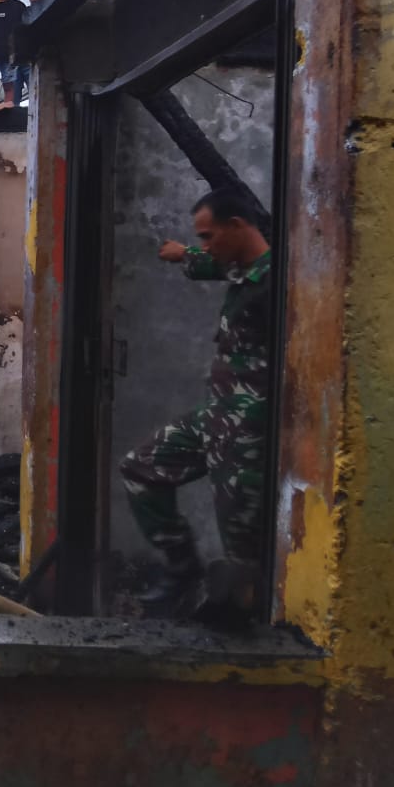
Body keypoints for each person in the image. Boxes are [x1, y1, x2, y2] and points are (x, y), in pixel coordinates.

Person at [119, 188, 272, 624]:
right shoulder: (243, 267)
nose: (206, 246)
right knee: (139, 466)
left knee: (243, 544)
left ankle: (249, 631)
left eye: (209, 236)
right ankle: (182, 568)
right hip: (216, 418)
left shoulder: (279, 279)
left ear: (237, 227)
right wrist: (183, 254)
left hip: (250, 433)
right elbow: (215, 264)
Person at [10, 0, 46, 107]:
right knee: (13, 97)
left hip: (37, 59)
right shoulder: (24, 12)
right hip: (20, 60)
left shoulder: (49, 11)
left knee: (36, 93)